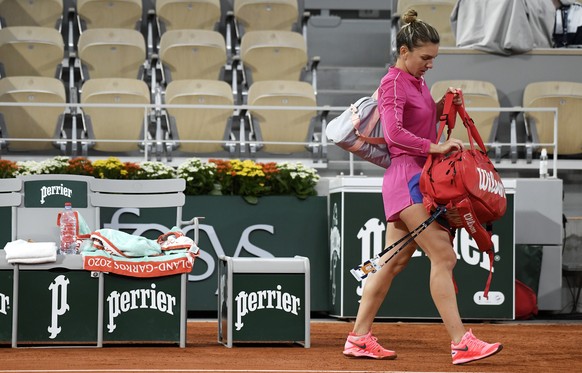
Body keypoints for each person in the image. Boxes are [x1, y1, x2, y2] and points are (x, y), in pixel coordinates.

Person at [342, 9, 503, 365]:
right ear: (404, 51)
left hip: (419, 179)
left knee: (392, 262)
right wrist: (435, 147)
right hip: (407, 179)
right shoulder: (393, 83)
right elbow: (395, 134)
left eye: (434, 58)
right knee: (444, 255)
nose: (430, 64)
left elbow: (422, 124)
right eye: (425, 57)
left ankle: (359, 338)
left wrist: (446, 104)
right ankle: (462, 342)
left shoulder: (415, 82)